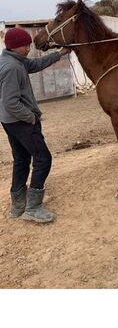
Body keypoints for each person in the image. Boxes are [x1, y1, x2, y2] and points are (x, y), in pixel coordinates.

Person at [0, 27, 70, 223]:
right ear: (14, 47)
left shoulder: (13, 61)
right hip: (20, 121)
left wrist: (59, 54)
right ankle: (33, 207)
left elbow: (35, 64)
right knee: (43, 158)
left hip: (9, 121)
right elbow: (10, 102)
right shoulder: (12, 67)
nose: (29, 48)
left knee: (21, 159)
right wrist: (30, 117)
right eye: (25, 45)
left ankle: (18, 206)